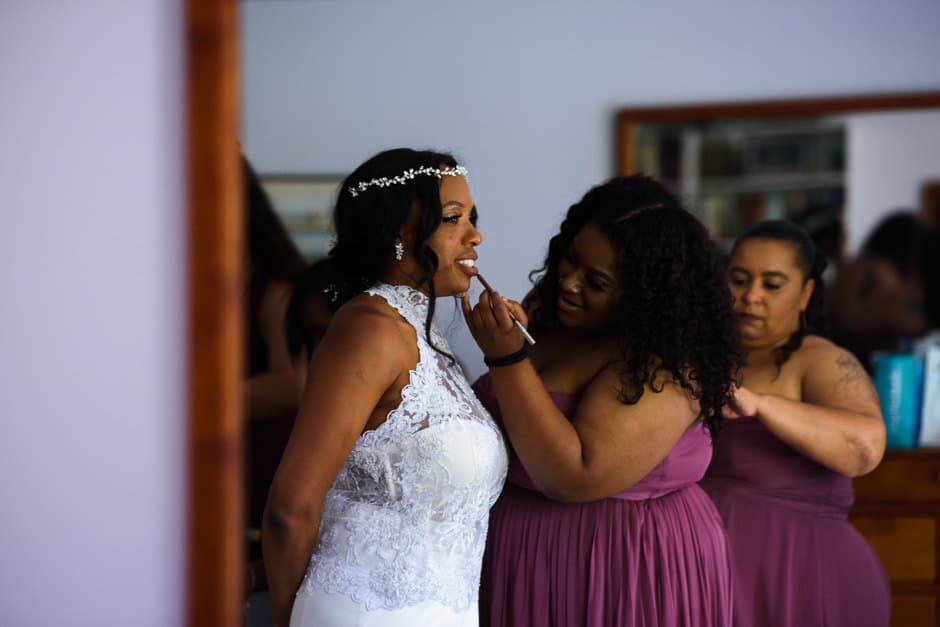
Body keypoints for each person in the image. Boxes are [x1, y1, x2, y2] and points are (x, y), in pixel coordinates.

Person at [462, 175, 742, 626]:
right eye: (568, 260)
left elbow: (576, 476)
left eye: (595, 281)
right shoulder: (554, 313)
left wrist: (507, 357)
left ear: (645, 296)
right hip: (520, 558)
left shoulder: (667, 365)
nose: (569, 283)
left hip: (622, 570)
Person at [262, 148, 508, 627]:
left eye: (472, 218)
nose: (475, 236)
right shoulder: (370, 328)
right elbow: (289, 509)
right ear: (401, 233)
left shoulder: (425, 334)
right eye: (453, 219)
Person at [699, 220, 890, 627]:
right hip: (711, 579)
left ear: (805, 292)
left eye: (772, 284)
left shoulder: (821, 360)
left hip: (807, 581)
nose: (750, 296)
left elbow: (865, 448)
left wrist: (762, 404)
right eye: (738, 279)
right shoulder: (703, 358)